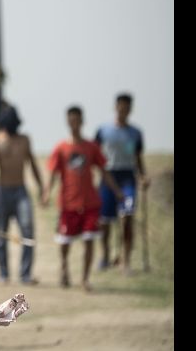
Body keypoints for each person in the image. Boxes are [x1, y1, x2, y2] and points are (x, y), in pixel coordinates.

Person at [43, 106, 123, 291]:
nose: (74, 124)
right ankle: (64, 269)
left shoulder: (91, 147)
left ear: (82, 121)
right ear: (68, 122)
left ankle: (85, 278)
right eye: (71, 120)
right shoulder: (61, 148)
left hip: (90, 203)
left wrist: (117, 191)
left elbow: (104, 170)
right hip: (68, 203)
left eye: (77, 120)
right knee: (65, 242)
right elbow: (53, 174)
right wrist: (47, 193)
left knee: (89, 240)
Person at [0, 103, 44, 285]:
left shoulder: (24, 140)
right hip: (2, 191)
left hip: (21, 191)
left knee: (27, 231)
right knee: (1, 235)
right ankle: (3, 273)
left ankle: (25, 274)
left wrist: (41, 187)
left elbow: (32, 164)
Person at [95, 93, 151, 274]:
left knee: (127, 216)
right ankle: (105, 256)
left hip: (127, 177)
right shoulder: (103, 130)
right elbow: (95, 155)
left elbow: (138, 157)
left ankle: (126, 261)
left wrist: (143, 176)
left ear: (130, 109)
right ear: (116, 107)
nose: (123, 110)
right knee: (104, 221)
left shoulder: (136, 133)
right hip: (108, 176)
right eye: (121, 107)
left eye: (127, 108)